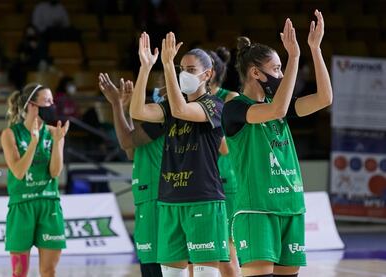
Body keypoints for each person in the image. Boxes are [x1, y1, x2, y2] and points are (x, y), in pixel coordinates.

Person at [221, 11, 332, 277]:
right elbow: (278, 110)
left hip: (291, 206)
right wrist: (294, 57)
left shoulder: (278, 106)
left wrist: (314, 50)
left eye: (282, 68)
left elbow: (324, 98)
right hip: (256, 209)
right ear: (256, 73)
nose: (282, 75)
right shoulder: (235, 108)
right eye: (276, 69)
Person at [130, 32, 229, 277]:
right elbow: (138, 110)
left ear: (207, 75)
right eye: (180, 68)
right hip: (170, 200)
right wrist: (145, 68)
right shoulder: (169, 106)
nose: (184, 73)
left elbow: (181, 109)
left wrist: (167, 66)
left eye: (191, 69)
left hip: (203, 199)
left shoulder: (214, 106)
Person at [98, 73, 164, 277]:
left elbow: (127, 141)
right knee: (149, 266)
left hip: (158, 197)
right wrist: (125, 110)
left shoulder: (164, 115)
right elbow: (132, 150)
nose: (158, 92)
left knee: (158, 267)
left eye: (162, 88)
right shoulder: (152, 120)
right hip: (147, 197)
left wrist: (117, 105)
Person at [1, 83, 69, 277]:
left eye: (52, 101)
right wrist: (33, 143)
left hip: (49, 205)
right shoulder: (10, 134)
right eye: (47, 101)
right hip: (21, 207)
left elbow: (55, 172)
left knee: (49, 271)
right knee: (19, 271)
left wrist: (57, 143)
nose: (52, 106)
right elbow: (19, 172)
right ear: (32, 105)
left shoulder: (55, 132)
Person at [207, 47, 240, 277]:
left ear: (209, 72)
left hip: (225, 178)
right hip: (200, 181)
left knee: (227, 250)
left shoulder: (229, 97)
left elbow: (226, 146)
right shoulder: (188, 100)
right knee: (200, 251)